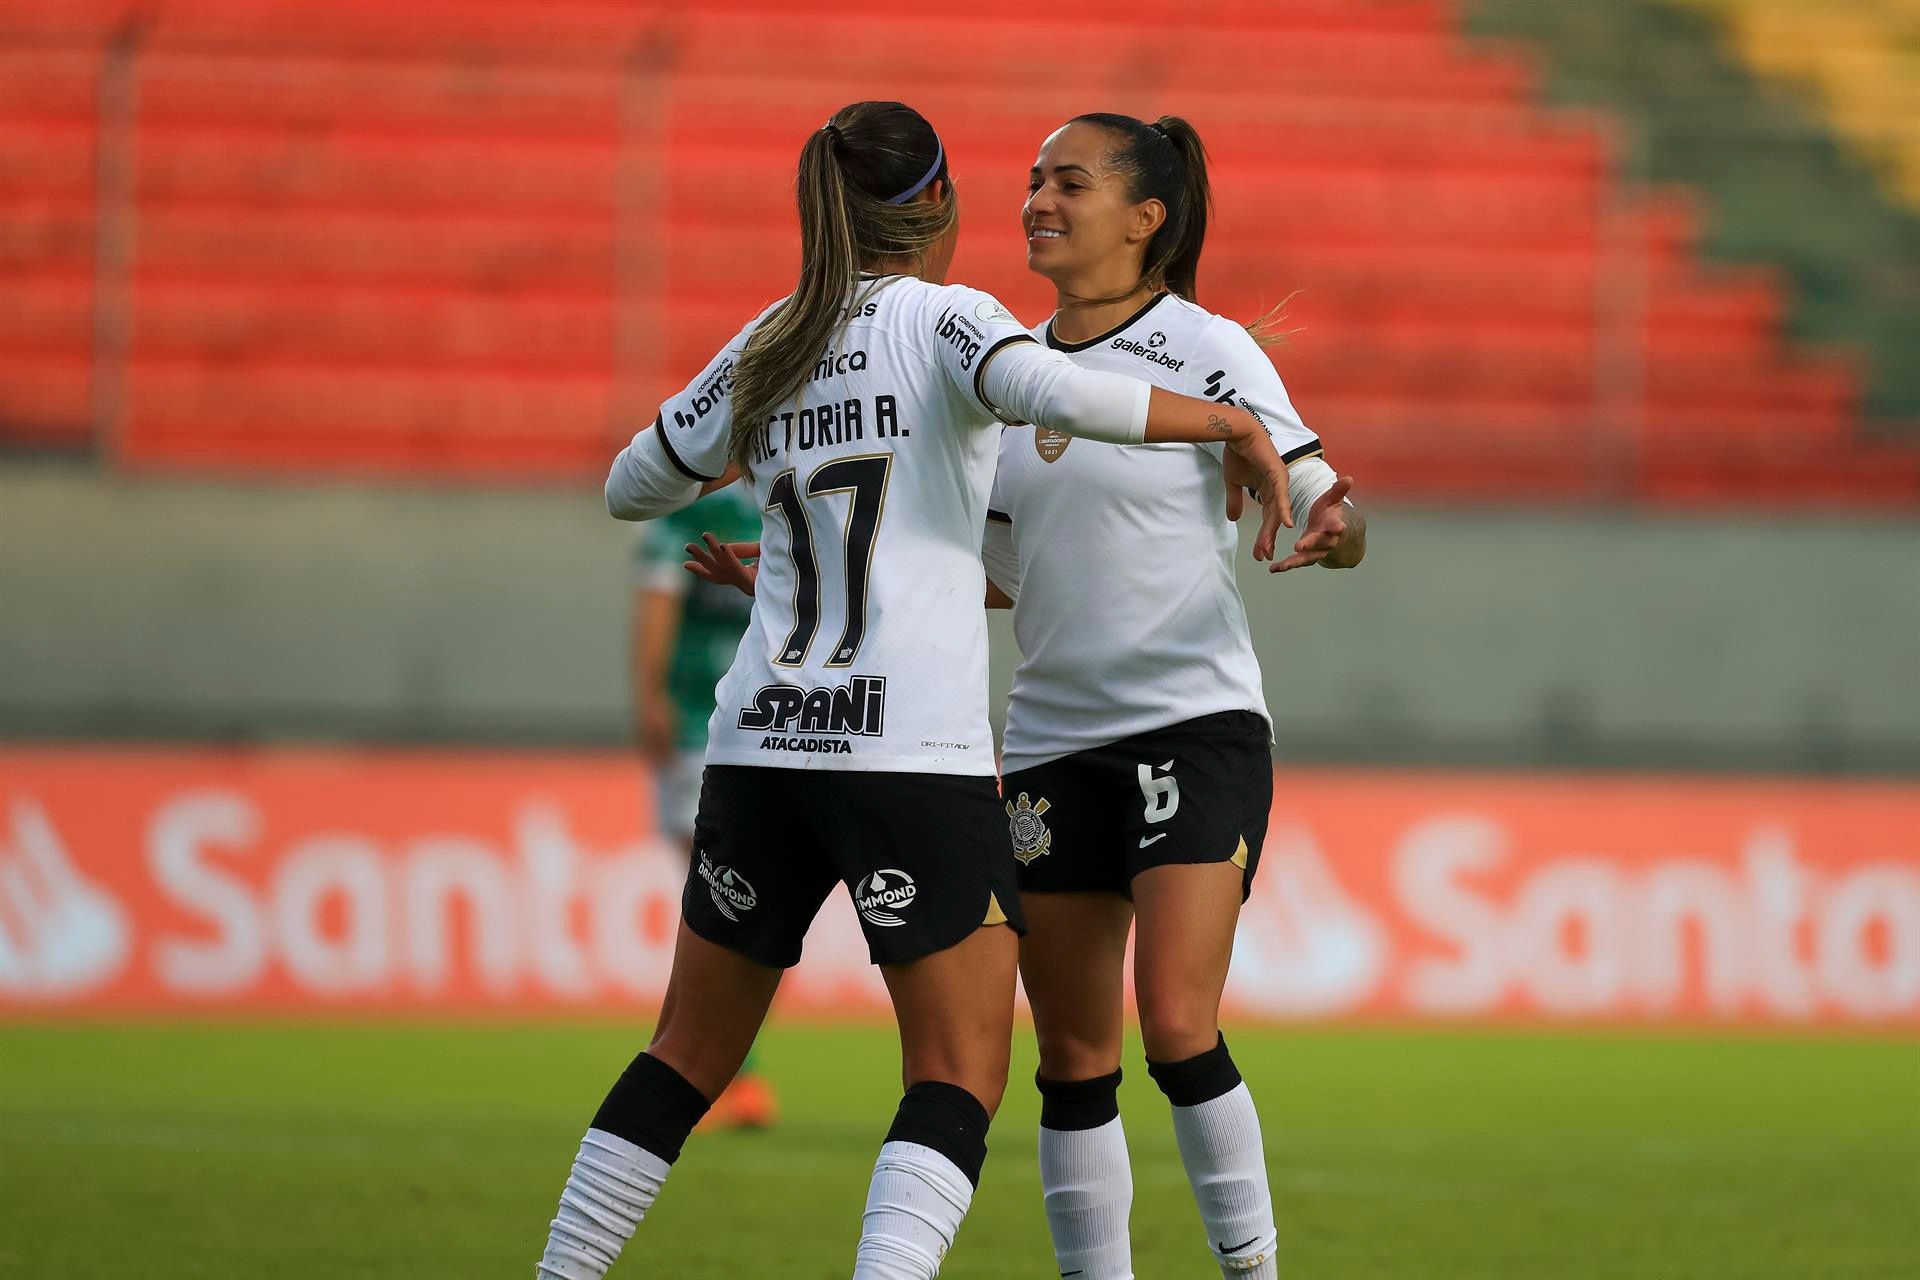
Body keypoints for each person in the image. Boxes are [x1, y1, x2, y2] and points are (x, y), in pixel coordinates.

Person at [531, 99, 1295, 1280]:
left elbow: (635, 484)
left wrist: (760, 456)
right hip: (904, 758)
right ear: (937, 207)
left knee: (684, 1051)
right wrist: (1227, 420)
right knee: (955, 1073)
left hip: (760, 745)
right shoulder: (953, 321)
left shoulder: (769, 340)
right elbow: (1060, 393)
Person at [992, 113, 1367, 1280]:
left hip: (1190, 724)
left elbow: (1321, 495)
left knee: (1176, 1023)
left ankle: (1251, 1271)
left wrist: (1333, 526)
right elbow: (1002, 572)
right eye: (1034, 181)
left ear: (1146, 218)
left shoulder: (1208, 348)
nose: (1039, 200)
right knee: (1070, 1055)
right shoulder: (1004, 371)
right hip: (1050, 739)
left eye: (1070, 181)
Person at [629, 487, 776, 1129]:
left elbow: (656, 610)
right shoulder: (777, 507)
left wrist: (650, 696)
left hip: (711, 726)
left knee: (718, 899)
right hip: (763, 722)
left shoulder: (686, 521)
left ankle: (711, 1074)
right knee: (741, 902)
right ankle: (729, 1073)